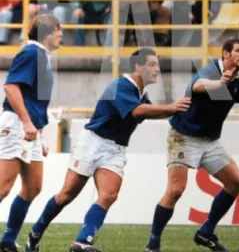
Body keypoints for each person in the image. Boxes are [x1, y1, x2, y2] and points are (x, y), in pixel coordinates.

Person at [25, 49, 191, 252]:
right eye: (152, 64)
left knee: (109, 194)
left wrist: (178, 113)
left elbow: (146, 113)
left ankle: (81, 242)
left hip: (115, 148)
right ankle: (34, 234)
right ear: (138, 67)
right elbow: (137, 111)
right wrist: (171, 108)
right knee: (66, 195)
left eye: (157, 64)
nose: (157, 69)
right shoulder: (121, 86)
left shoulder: (140, 93)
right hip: (93, 142)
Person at [146, 39, 239, 252]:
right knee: (176, 189)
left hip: (210, 141)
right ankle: (153, 242)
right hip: (183, 136)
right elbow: (198, 85)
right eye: (238, 51)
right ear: (225, 54)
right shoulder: (211, 71)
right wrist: (220, 84)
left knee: (236, 182)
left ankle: (206, 232)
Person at [0, 15, 62, 252]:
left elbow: (33, 98)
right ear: (47, 33)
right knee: (3, 187)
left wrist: (39, 131)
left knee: (33, 187)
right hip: (16, 124)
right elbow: (11, 86)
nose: (61, 34)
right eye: (58, 30)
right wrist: (26, 122)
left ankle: (7, 241)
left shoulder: (42, 57)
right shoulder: (31, 54)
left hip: (30, 128)